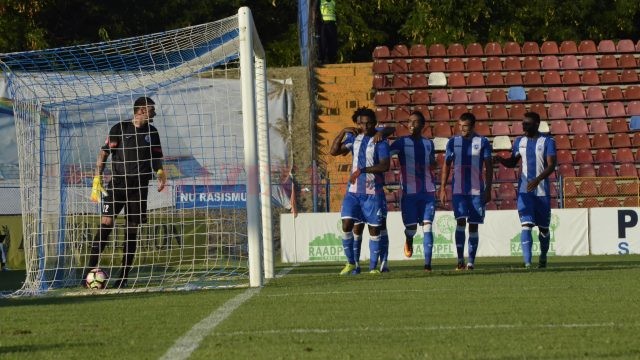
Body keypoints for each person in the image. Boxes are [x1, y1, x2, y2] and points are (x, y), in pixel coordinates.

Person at [85, 96, 166, 288]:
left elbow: (156, 157)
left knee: (131, 232)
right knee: (105, 225)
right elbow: (104, 153)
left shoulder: (153, 132)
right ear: (141, 110)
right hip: (117, 186)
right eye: (151, 109)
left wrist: (160, 171)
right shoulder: (119, 128)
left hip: (138, 189)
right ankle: (87, 271)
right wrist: (97, 177)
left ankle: (123, 277)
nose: (154, 112)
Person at [330, 107, 390, 275]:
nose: (365, 127)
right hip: (353, 192)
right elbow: (333, 151)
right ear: (357, 124)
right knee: (347, 224)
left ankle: (373, 268)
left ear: (374, 124)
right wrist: (342, 131)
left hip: (372, 192)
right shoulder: (353, 138)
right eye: (362, 124)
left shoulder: (381, 141)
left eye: (369, 123)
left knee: (374, 230)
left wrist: (363, 170)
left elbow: (385, 165)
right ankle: (351, 263)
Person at [494, 112, 557, 269]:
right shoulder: (519, 141)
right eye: (523, 124)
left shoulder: (548, 141)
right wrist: (501, 159)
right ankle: (528, 264)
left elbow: (551, 165)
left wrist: (537, 179)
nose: (524, 126)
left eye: (527, 124)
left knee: (543, 229)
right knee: (526, 225)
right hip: (524, 192)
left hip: (542, 192)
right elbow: (512, 162)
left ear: (536, 124)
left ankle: (543, 256)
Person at [440, 112, 492, 270]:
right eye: (460, 126)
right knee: (460, 221)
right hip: (458, 191)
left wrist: (488, 189)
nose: (462, 129)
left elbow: (489, 166)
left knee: (474, 226)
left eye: (466, 126)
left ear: (473, 126)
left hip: (477, 191)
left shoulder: (482, 142)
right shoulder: (452, 142)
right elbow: (447, 165)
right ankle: (460, 260)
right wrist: (442, 188)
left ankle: (471, 262)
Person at [389, 111, 437, 271]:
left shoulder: (428, 144)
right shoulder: (401, 143)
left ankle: (427, 265)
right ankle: (409, 239)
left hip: (428, 191)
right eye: (409, 121)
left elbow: (432, 162)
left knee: (428, 227)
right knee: (411, 229)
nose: (411, 124)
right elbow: (384, 155)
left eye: (415, 122)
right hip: (409, 194)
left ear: (422, 125)